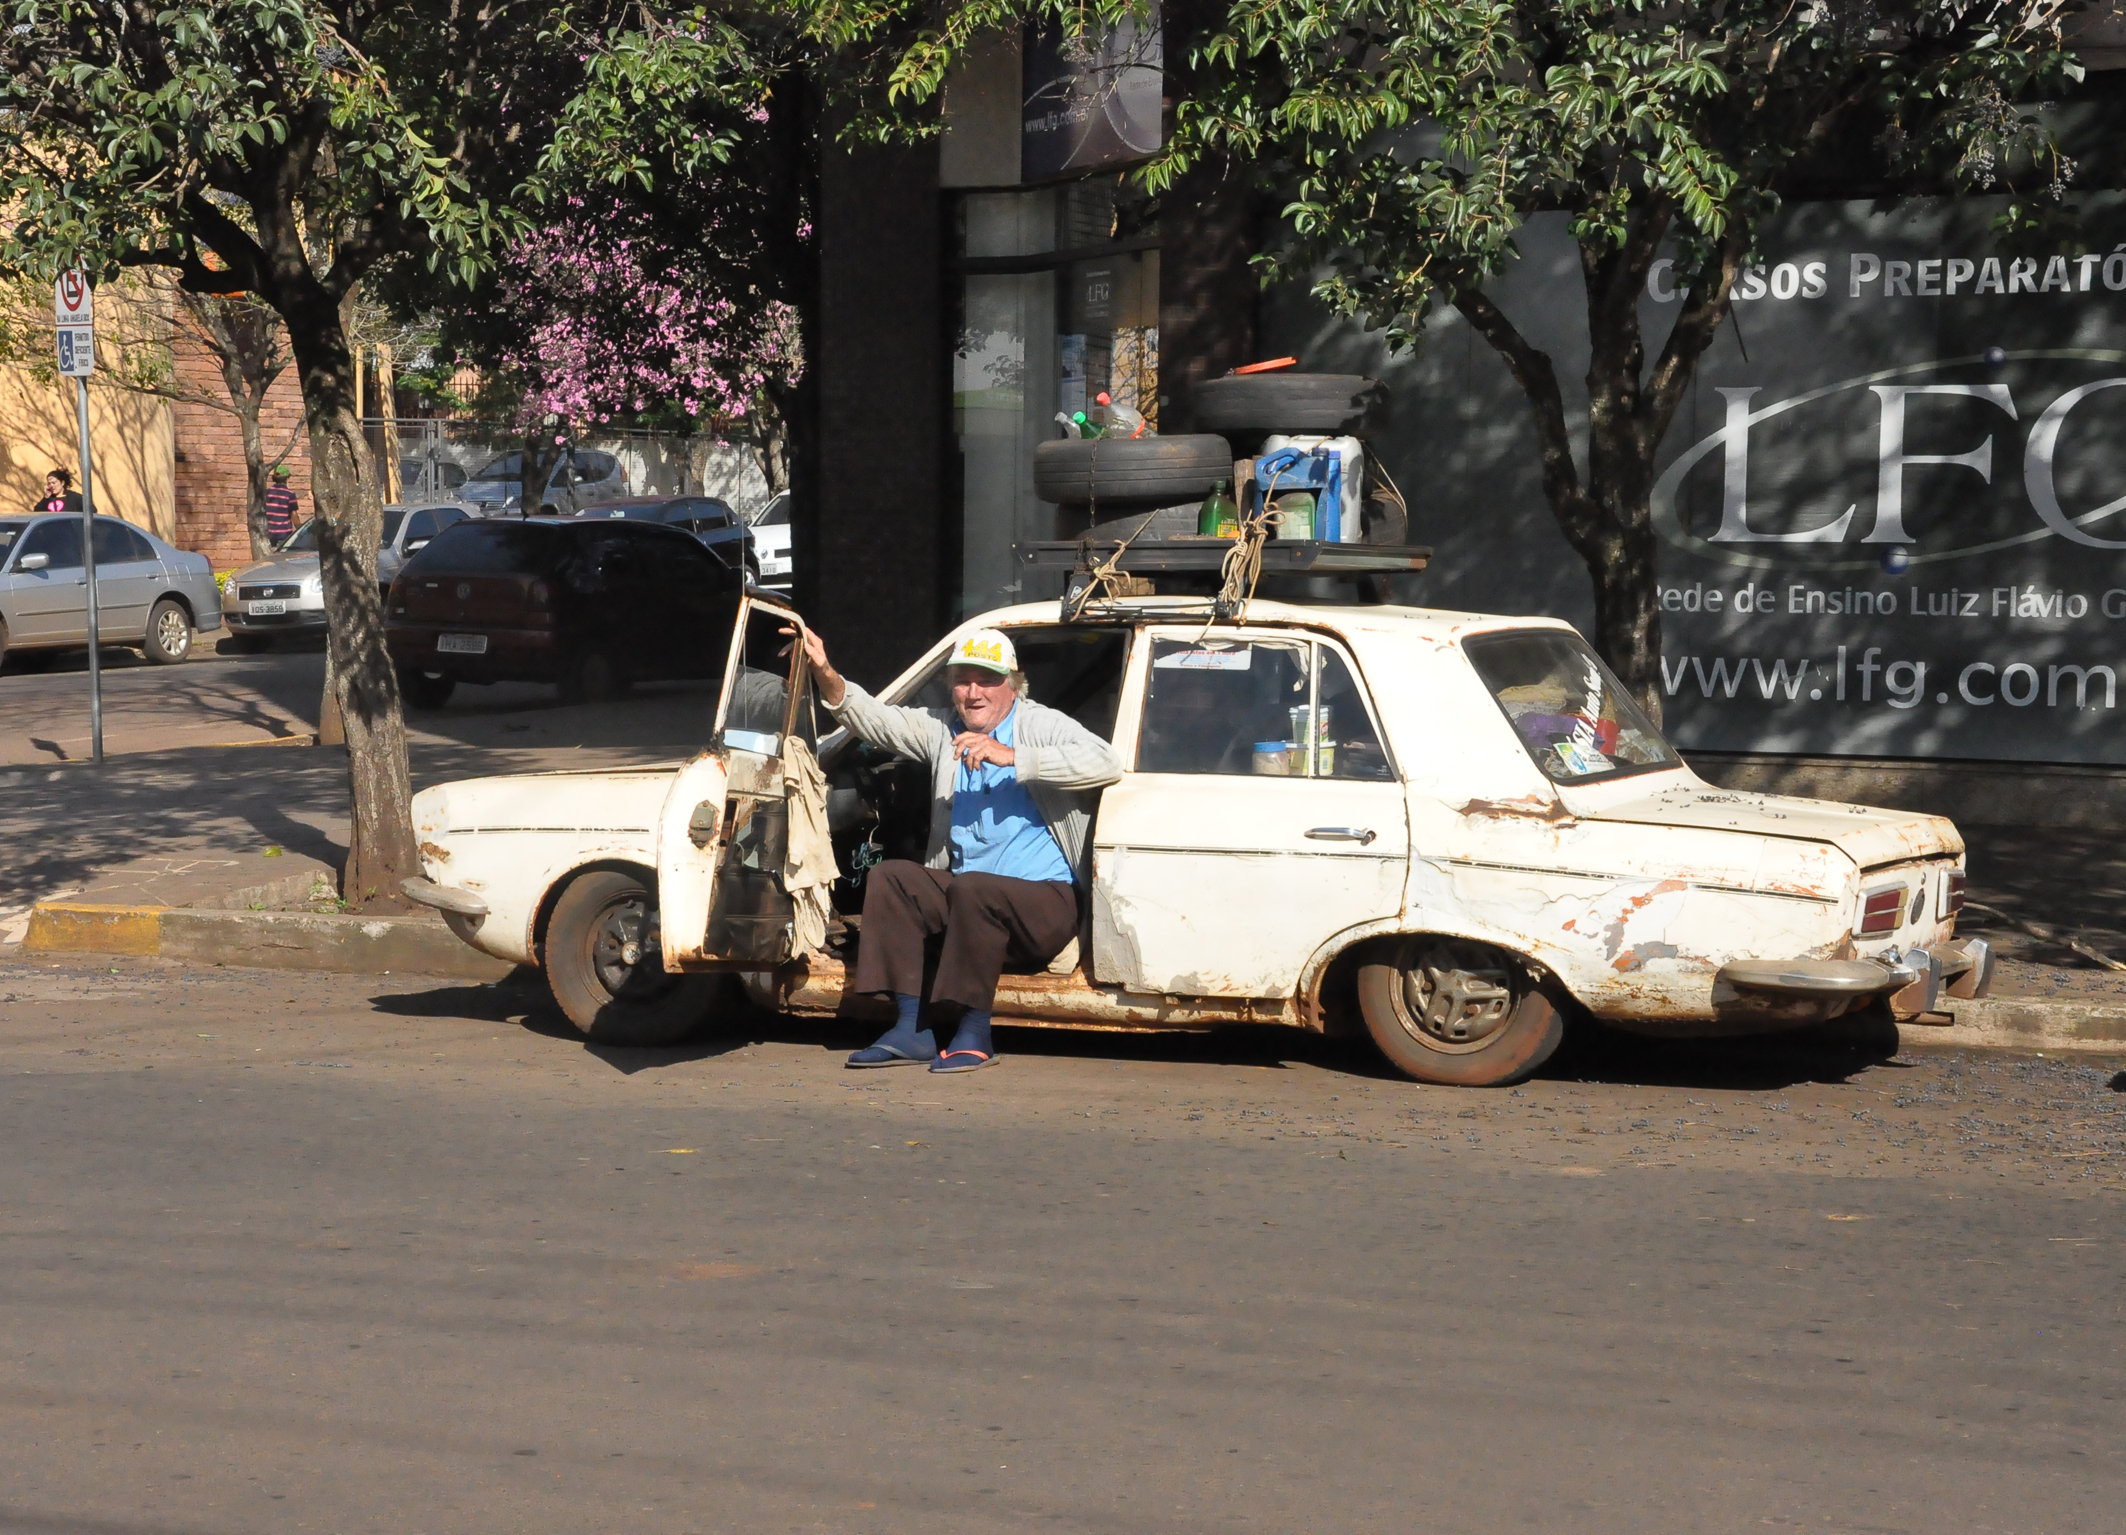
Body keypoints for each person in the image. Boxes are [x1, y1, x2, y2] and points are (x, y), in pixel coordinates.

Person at [791, 625, 1122, 1073]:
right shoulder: (943, 729)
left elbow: (1106, 761)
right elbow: (873, 717)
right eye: (963, 680)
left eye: (986, 679)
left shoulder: (1040, 724)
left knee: (975, 889)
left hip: (1044, 906)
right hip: (972, 904)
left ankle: (974, 1033)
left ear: (1013, 684)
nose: (973, 692)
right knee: (894, 878)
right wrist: (825, 671)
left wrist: (1013, 756)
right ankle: (911, 1028)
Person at [264, 464, 300, 544]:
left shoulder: (267, 493)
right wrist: (299, 530)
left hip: (268, 533)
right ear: (286, 478)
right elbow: (294, 514)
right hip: (284, 534)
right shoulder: (290, 494)